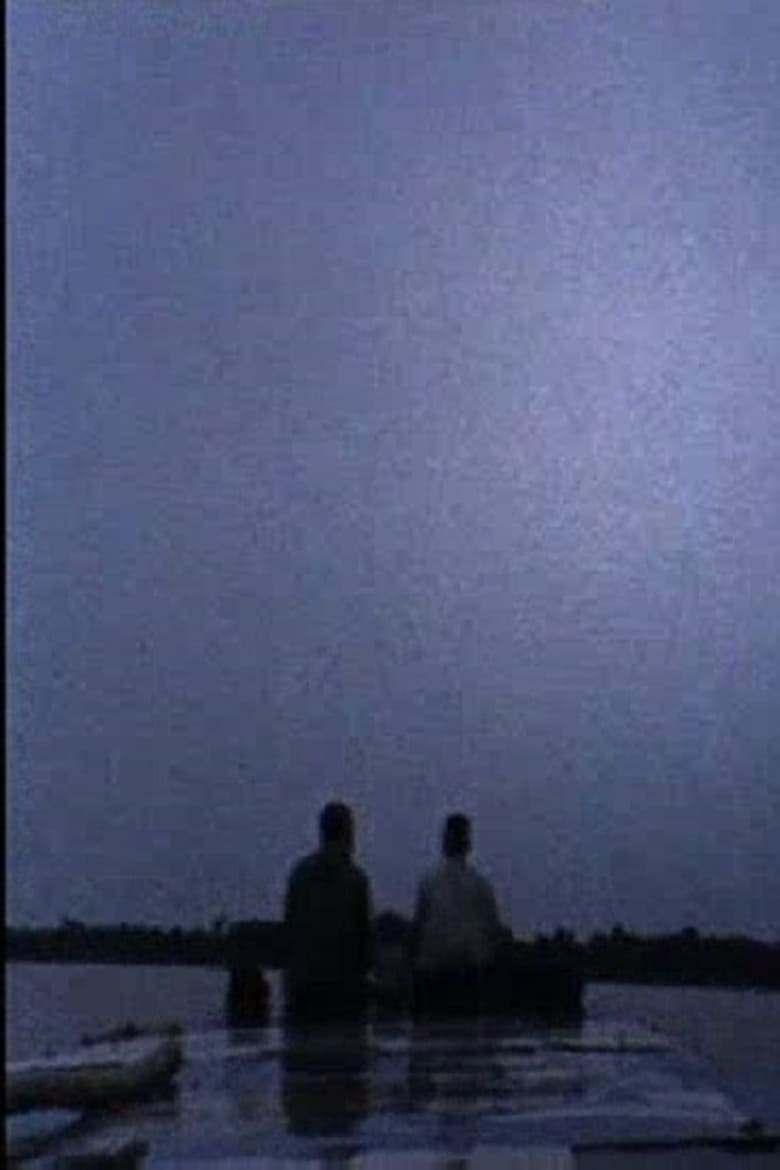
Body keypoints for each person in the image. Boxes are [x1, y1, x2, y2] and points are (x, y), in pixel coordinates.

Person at [283, 801, 373, 1022]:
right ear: (349, 834)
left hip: (303, 987)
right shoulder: (355, 879)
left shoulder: (299, 874)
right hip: (342, 990)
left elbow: (289, 929)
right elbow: (364, 942)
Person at [411, 812, 502, 1017]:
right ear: (468, 844)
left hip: (434, 976)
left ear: (444, 843)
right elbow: (493, 933)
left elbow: (418, 928)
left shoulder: (429, 883)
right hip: (468, 976)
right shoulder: (481, 886)